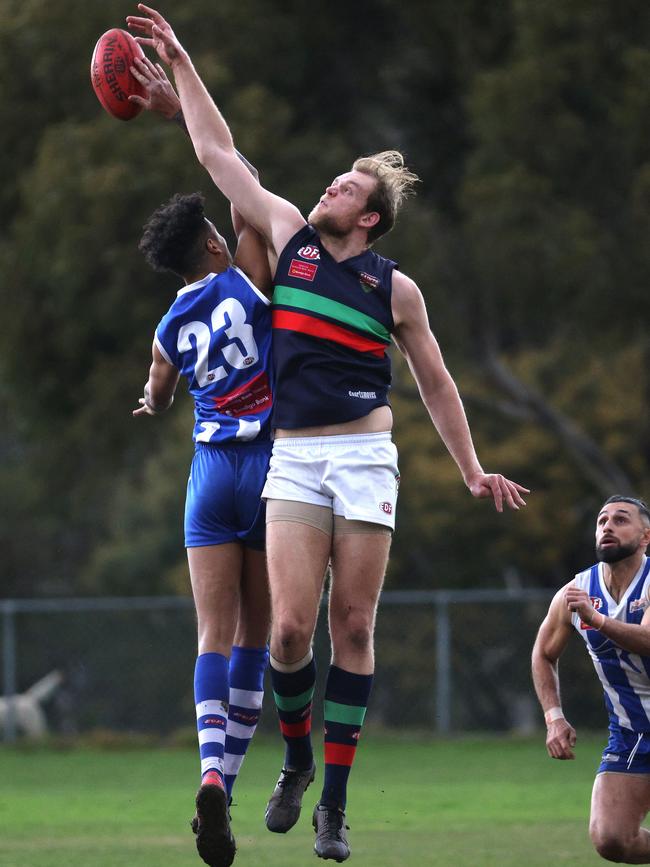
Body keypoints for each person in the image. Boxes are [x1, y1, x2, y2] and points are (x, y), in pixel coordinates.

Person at [127, 6, 530, 861]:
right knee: (284, 634)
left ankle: (335, 805)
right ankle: (298, 757)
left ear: (370, 218)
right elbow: (218, 155)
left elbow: (436, 381)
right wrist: (185, 64)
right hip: (297, 456)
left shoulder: (397, 290)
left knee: (352, 625)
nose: (329, 189)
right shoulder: (291, 240)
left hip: (365, 455)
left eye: (346, 188)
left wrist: (472, 469)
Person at [134, 187, 273, 867]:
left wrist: (149, 400)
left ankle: (211, 771)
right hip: (271, 467)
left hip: (210, 472)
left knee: (212, 634)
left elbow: (157, 395)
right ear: (214, 243)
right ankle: (230, 778)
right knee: (258, 633)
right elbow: (242, 183)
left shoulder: (167, 326)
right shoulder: (245, 272)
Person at [532, 496, 650, 864]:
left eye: (620, 519)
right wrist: (554, 717)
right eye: (601, 521)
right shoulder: (576, 591)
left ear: (646, 536)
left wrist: (596, 620)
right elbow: (543, 654)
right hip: (634, 733)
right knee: (611, 839)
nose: (608, 526)